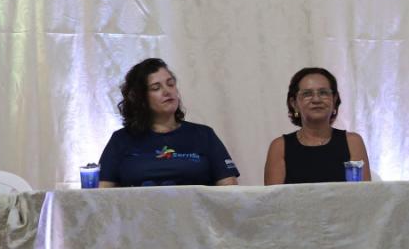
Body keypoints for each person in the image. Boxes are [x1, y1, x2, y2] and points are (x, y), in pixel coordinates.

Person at [96, 58, 239, 187]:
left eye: (170, 84)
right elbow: (101, 195)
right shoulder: (121, 140)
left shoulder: (204, 135)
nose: (167, 91)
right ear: (140, 98)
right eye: (156, 88)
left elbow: (229, 188)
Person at [263, 66, 371, 185]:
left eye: (323, 93)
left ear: (334, 99)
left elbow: (363, 193)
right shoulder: (279, 147)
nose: (316, 99)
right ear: (294, 103)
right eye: (307, 94)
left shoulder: (353, 142)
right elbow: (275, 196)